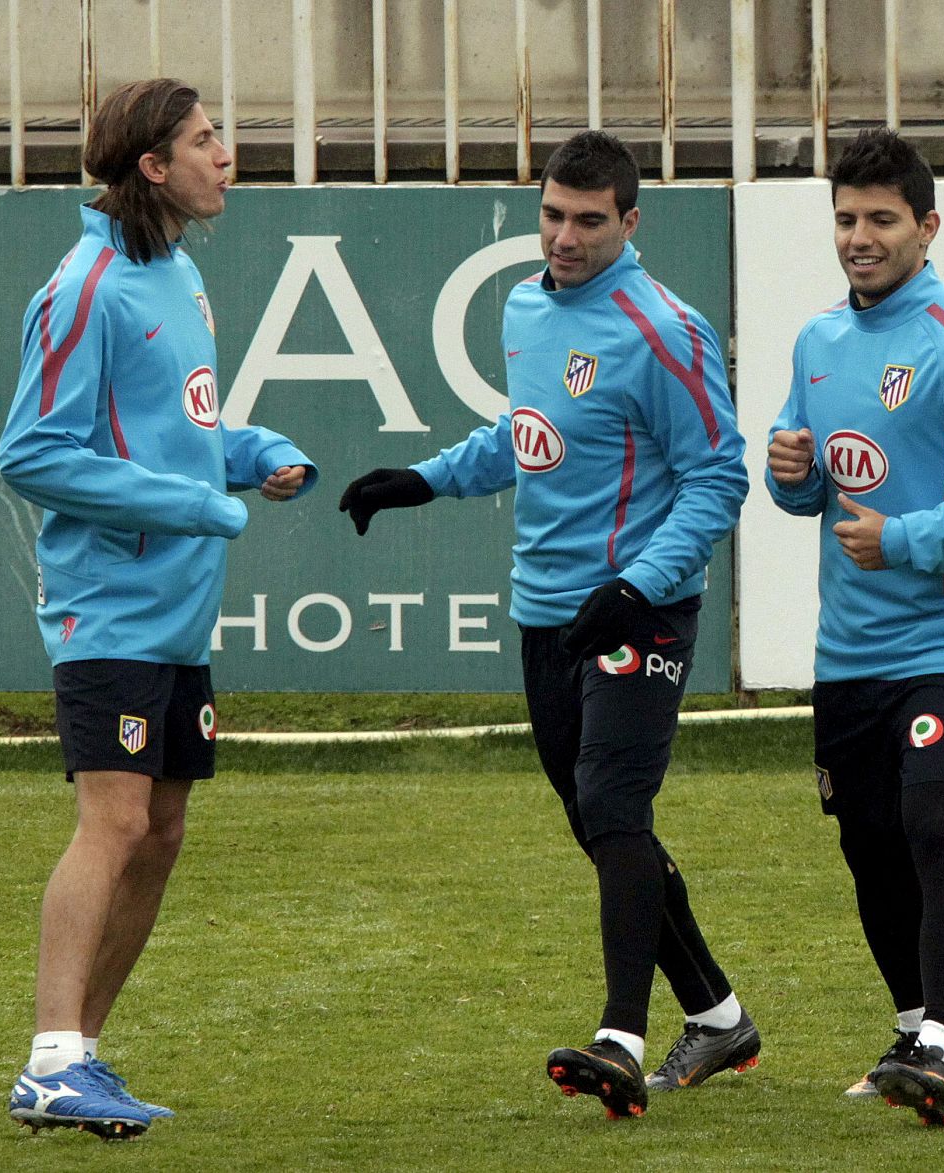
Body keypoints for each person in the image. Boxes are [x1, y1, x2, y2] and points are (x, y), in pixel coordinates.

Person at [340, 130, 756, 1121]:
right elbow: (524, 438)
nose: (563, 238)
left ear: (630, 222)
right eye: (552, 216)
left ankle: (620, 1036)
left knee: (613, 807)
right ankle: (720, 1015)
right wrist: (425, 480)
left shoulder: (665, 330)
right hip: (547, 611)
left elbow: (719, 476)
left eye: (588, 221)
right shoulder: (527, 307)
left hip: (638, 612)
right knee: (597, 824)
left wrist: (640, 583)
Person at [0, 79, 316, 1139]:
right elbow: (34, 452)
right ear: (151, 165)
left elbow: (176, 431)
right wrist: (193, 503)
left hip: (177, 606)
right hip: (111, 603)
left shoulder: (172, 271)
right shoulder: (86, 285)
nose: (226, 155)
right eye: (205, 139)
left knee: (162, 829)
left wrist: (252, 451)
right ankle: (50, 1055)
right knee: (117, 818)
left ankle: (72, 1059)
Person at [766, 128, 944, 1128]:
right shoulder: (817, 342)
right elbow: (807, 494)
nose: (859, 237)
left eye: (881, 219)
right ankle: (910, 1031)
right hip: (849, 649)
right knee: (871, 845)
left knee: (939, 825)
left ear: (926, 228)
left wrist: (906, 541)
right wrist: (789, 475)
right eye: (845, 219)